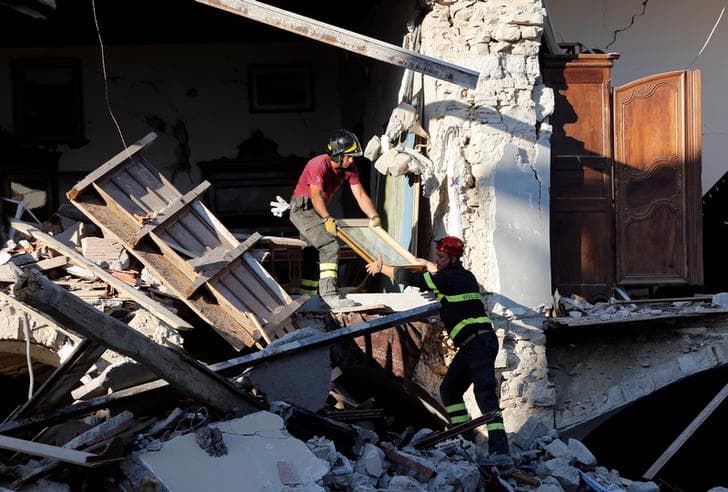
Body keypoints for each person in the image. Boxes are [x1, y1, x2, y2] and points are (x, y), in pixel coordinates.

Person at [365, 236, 513, 466]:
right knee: (450, 390)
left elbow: (412, 279)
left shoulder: (446, 278)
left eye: (442, 257)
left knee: (484, 393)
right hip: (472, 344)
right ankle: (465, 440)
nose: (438, 260)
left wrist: (382, 268)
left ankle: (500, 450)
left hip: (478, 343)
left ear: (453, 258)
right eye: (438, 256)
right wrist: (430, 264)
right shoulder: (463, 276)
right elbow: (440, 274)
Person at [289, 129, 381, 309]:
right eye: (348, 156)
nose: (352, 160)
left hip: (317, 208)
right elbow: (315, 196)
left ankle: (307, 300)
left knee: (313, 253)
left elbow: (360, 194)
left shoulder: (350, 168)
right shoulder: (318, 164)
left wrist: (374, 216)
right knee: (330, 245)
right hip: (303, 208)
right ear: (337, 154)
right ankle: (329, 296)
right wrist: (327, 218)